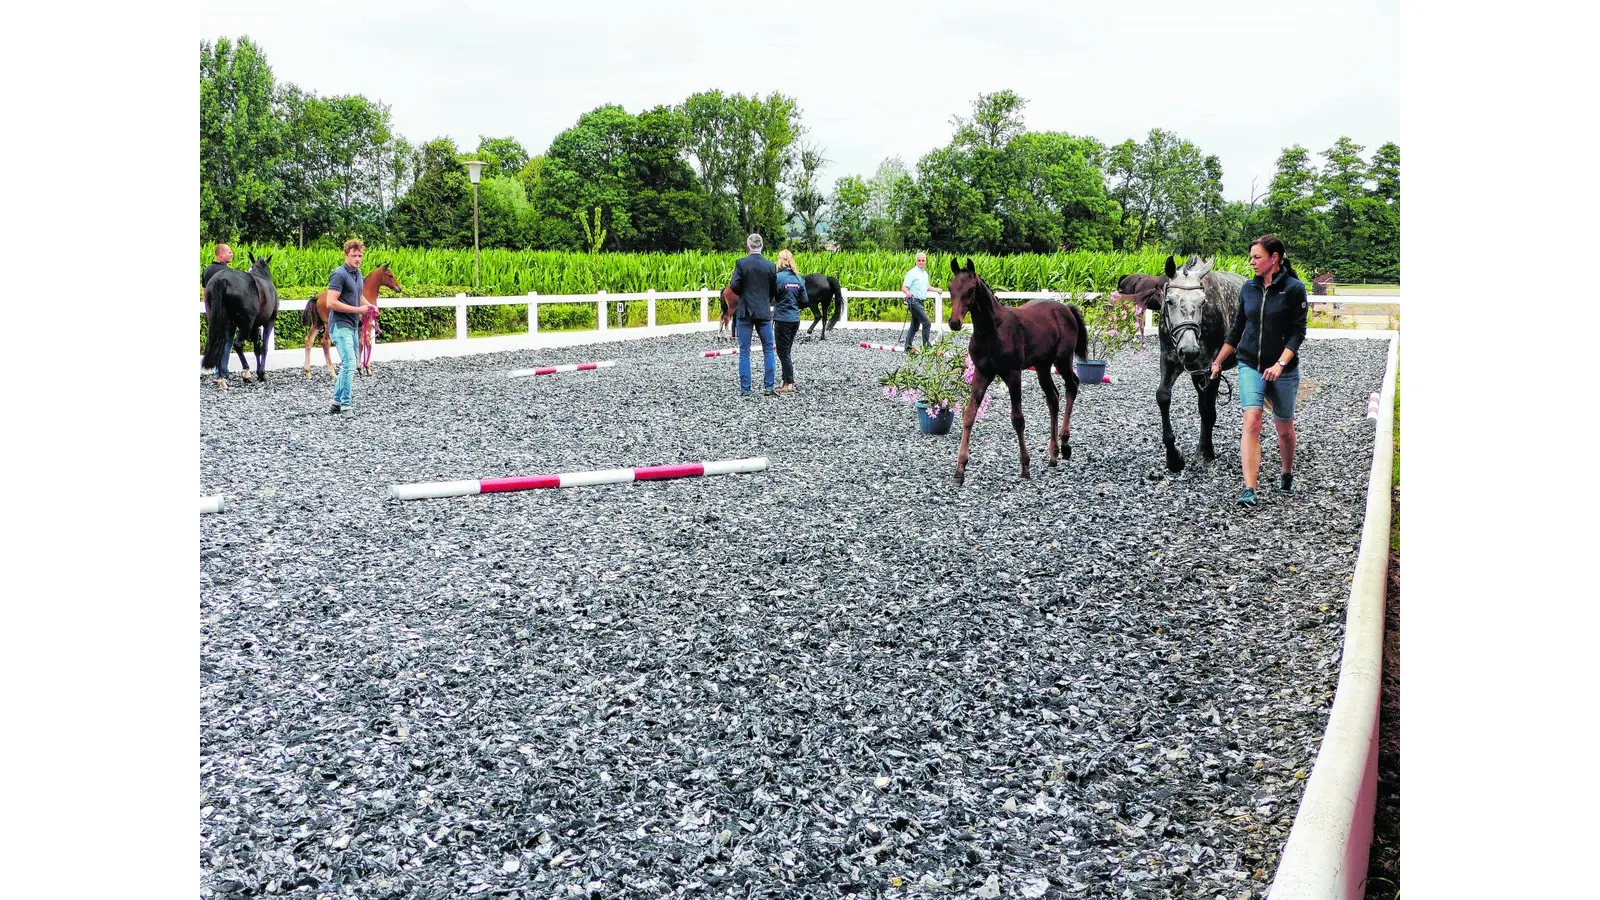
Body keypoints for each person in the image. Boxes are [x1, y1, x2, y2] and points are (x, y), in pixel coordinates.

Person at [1209, 234, 1309, 506]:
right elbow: (1237, 328)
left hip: (1283, 369)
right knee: (1251, 420)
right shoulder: (1248, 289)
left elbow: (1298, 333)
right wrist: (1218, 361)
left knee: (1284, 427)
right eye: (1251, 256)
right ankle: (1249, 488)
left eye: (1257, 257)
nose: (1251, 261)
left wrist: (1280, 364)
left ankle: (1286, 473)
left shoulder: (1294, 289)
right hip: (1250, 363)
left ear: (1274, 259)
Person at [325, 239, 377, 414]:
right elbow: (331, 302)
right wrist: (358, 310)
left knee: (349, 363)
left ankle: (336, 402)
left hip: (352, 325)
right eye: (354, 255)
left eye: (360, 255)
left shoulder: (357, 274)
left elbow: (358, 296)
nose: (357, 258)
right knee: (350, 363)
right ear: (346, 255)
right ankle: (346, 405)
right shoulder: (339, 275)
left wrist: (369, 306)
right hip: (340, 325)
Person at [728, 233, 780, 397]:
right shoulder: (770, 266)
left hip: (745, 311)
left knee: (744, 351)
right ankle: (769, 387)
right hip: (763, 311)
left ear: (748, 246)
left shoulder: (741, 263)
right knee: (768, 349)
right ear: (762, 246)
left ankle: (745, 388)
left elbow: (734, 286)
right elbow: (774, 290)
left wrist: (744, 291)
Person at [772, 249, 808, 393]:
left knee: (783, 352)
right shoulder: (799, 279)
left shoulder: (777, 278)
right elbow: (805, 300)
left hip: (782, 318)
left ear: (780, 260)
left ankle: (789, 383)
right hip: (795, 318)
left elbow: (772, 296)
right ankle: (785, 380)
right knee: (787, 350)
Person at [202, 243, 235, 379]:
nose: (232, 254)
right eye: (229, 252)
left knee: (215, 340)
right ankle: (221, 372)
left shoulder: (207, 271)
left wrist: (208, 311)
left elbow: (204, 294)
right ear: (221, 254)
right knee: (227, 340)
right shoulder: (229, 273)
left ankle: (217, 372)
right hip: (226, 312)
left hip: (212, 312)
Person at [902, 251, 933, 351]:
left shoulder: (925, 274)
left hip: (921, 302)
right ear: (916, 261)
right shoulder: (912, 273)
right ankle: (926, 347)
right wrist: (907, 293)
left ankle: (908, 347)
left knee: (915, 326)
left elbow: (926, 287)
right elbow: (904, 287)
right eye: (919, 260)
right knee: (927, 322)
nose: (921, 262)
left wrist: (937, 290)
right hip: (914, 301)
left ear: (925, 261)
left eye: (923, 260)